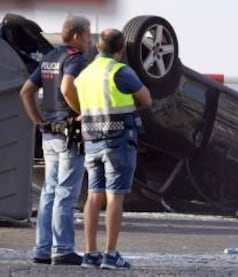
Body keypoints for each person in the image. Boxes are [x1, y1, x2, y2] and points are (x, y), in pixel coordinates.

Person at [63, 28, 152, 270]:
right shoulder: (120, 71)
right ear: (120, 50)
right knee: (115, 197)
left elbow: (68, 91)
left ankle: (90, 254)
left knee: (93, 196)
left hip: (92, 140)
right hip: (119, 140)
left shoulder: (85, 73)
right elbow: (146, 99)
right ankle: (110, 255)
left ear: (98, 47)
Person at [19, 15, 91, 264]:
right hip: (69, 134)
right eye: (87, 35)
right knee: (66, 192)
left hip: (49, 132)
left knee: (49, 191)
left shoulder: (49, 58)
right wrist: (82, 111)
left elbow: (26, 91)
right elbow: (67, 87)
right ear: (76, 36)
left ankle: (42, 249)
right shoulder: (75, 58)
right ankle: (62, 249)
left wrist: (39, 121)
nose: (89, 41)